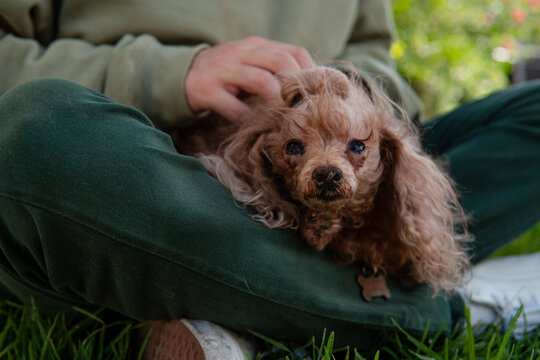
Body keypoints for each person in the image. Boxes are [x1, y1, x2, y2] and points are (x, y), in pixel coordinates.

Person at [0, 0, 539, 357]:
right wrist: (167, 75)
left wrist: (337, 99)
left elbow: (378, 64)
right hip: (164, 171)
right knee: (37, 131)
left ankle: (237, 302)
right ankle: (451, 303)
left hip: (355, 183)